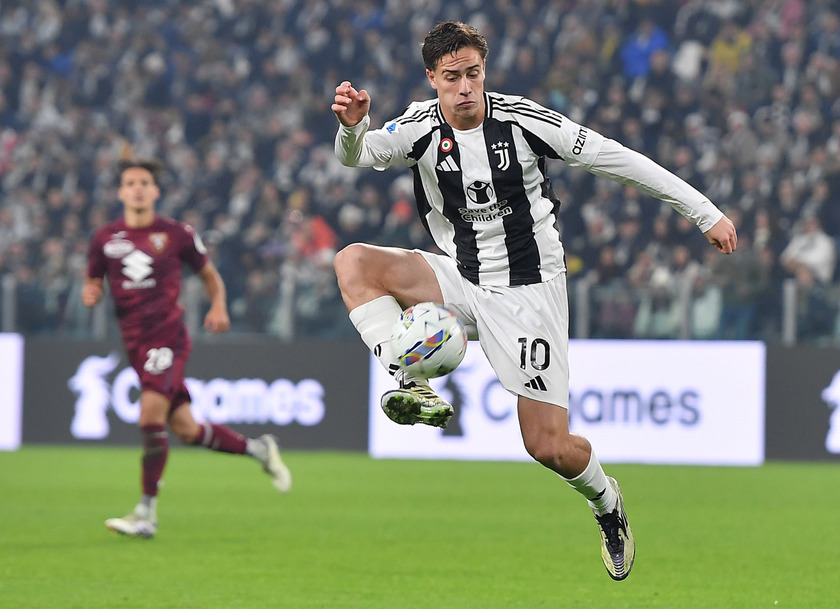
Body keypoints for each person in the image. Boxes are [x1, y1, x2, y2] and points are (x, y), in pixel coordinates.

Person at [330, 21, 737, 580]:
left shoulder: (523, 122)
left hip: (528, 294)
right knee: (352, 260)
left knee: (547, 446)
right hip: (462, 276)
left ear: (484, 72)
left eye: (473, 73)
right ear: (433, 79)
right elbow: (358, 154)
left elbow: (616, 158)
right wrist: (354, 128)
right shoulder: (420, 126)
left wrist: (704, 212)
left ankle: (607, 503)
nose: (465, 87)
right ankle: (409, 377)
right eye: (452, 78)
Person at [82, 158, 291, 539]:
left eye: (145, 182)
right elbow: (92, 277)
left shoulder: (176, 234)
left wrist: (219, 305)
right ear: (121, 192)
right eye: (131, 183)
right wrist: (91, 290)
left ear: (156, 191)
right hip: (134, 343)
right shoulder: (105, 239)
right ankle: (259, 450)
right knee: (188, 430)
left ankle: (145, 513)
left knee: (150, 418)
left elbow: (209, 275)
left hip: (167, 336)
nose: (138, 188)